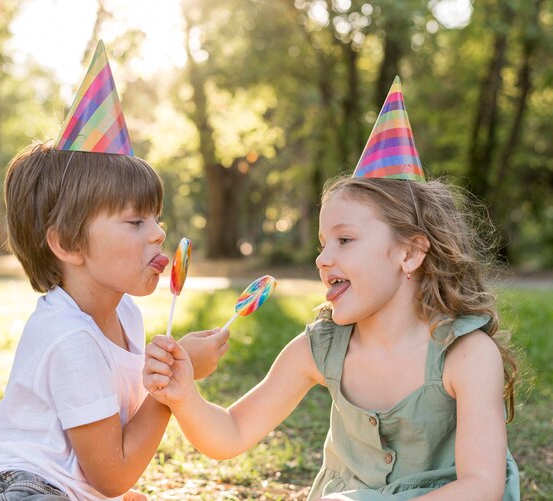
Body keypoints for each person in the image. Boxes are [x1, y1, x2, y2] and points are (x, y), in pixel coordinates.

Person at [143, 77, 520, 500]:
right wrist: (184, 396)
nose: (323, 260)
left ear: (410, 254)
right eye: (323, 245)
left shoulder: (465, 354)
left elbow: (481, 486)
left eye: (345, 240)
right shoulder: (321, 348)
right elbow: (230, 434)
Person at [0, 41, 229, 501]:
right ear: (68, 244)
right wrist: (173, 385)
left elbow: (110, 464)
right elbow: (113, 475)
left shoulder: (129, 319)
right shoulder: (69, 337)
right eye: (136, 221)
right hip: (9, 484)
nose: (158, 234)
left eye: (156, 218)